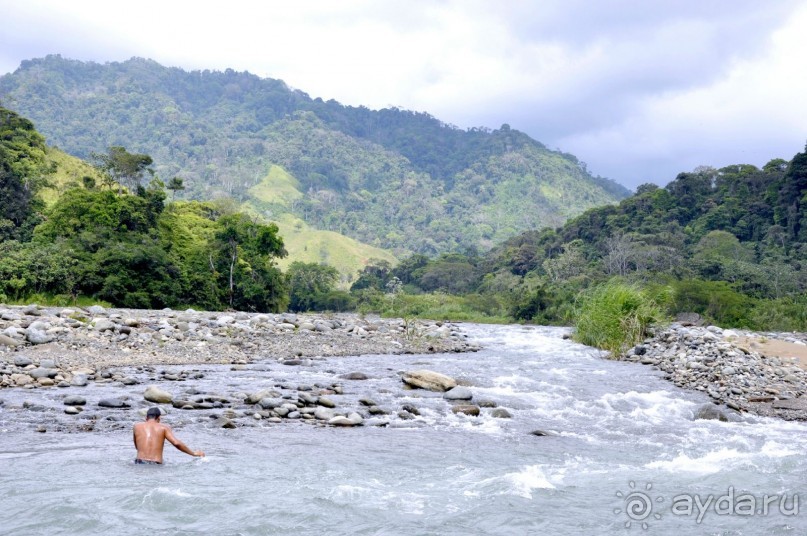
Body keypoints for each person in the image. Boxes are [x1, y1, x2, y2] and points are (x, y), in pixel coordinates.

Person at [133, 407, 205, 464]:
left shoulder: (136, 426)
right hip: (156, 464)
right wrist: (193, 453)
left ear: (146, 418)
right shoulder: (163, 427)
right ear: (159, 418)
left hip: (139, 462)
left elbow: (137, 447)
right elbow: (176, 443)